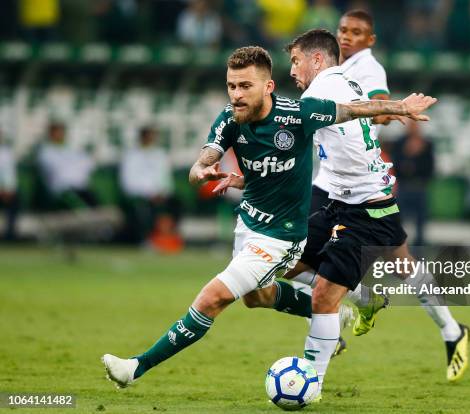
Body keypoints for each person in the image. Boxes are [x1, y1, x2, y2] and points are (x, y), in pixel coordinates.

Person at [102, 45, 436, 389]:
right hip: (248, 225)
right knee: (256, 297)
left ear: (268, 87)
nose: (236, 94)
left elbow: (354, 110)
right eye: (232, 86)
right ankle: (343, 310)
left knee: (212, 298)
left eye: (245, 86)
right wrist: (202, 170)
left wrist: (401, 107)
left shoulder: (300, 115)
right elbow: (202, 160)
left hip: (282, 237)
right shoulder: (229, 118)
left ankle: (134, 368)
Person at [216, 30, 468, 391]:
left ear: (317, 60)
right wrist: (251, 178)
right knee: (287, 261)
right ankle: (376, 304)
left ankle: (314, 382)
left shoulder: (321, 92)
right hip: (342, 201)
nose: (293, 70)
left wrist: (397, 106)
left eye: (297, 61)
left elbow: (300, 129)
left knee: (328, 295)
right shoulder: (345, 83)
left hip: (368, 208)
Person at [119, 126, 179, 244]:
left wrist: (163, 192)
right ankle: (145, 239)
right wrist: (148, 193)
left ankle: (169, 237)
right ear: (142, 137)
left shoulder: (160, 154)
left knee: (177, 204)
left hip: (159, 194)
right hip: (140, 195)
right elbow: (128, 182)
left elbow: (166, 178)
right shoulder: (131, 156)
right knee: (143, 209)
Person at [37, 122, 97, 210]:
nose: (59, 135)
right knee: (80, 207)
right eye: (57, 132)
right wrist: (75, 167)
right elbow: (58, 171)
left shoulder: (70, 150)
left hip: (81, 188)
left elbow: (88, 164)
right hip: (61, 192)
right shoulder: (45, 152)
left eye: (61, 132)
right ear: (50, 134)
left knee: (96, 206)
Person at [392, 121, 435, 246]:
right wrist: (408, 153)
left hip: (420, 186)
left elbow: (430, 166)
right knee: (400, 218)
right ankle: (399, 245)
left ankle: (420, 244)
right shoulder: (400, 143)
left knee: (421, 220)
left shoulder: (426, 143)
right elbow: (396, 164)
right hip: (404, 186)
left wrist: (418, 155)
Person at [0, 131, 18, 241]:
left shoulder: (5, 153)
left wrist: (8, 190)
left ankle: (9, 235)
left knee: (15, 199)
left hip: (5, 192)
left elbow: (10, 178)